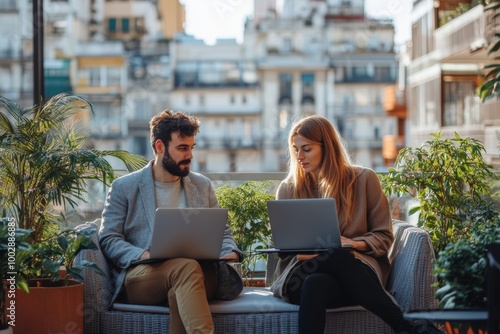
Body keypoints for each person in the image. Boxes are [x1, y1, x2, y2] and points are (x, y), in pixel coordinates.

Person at [270, 115, 442, 334]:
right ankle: (406, 326)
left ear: (327, 147)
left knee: (319, 281)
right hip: (299, 277)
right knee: (330, 260)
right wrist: (325, 250)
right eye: (295, 149)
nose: (299, 156)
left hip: (354, 274)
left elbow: (384, 237)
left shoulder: (364, 180)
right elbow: (285, 249)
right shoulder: (288, 189)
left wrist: (351, 244)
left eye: (307, 149)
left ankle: (404, 326)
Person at [99, 109, 243, 334]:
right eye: (182, 148)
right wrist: (143, 254)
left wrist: (229, 251)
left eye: (192, 147)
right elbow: (108, 238)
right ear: (159, 147)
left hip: (201, 274)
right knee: (185, 269)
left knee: (183, 283)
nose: (190, 156)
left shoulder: (202, 185)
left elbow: (222, 233)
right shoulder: (124, 187)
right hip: (145, 276)